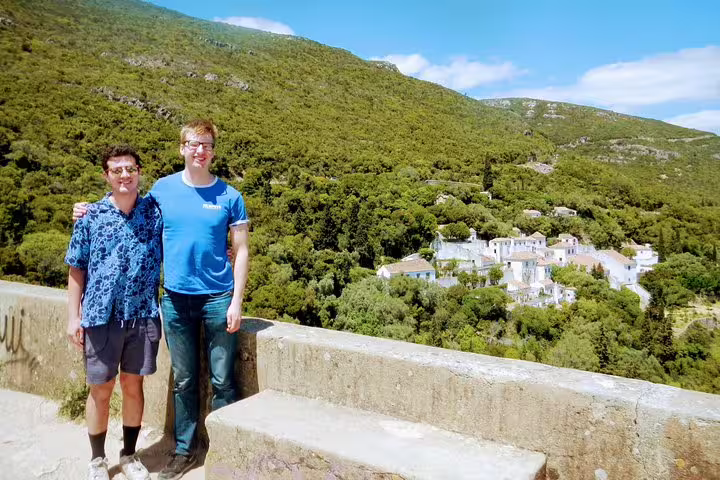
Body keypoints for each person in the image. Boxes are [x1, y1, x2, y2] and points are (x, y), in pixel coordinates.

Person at [74, 119, 250, 480]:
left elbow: (241, 250)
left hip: (218, 298)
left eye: (206, 144)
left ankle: (228, 455)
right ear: (182, 148)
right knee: (184, 381)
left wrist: (237, 301)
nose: (200, 150)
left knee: (223, 381)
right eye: (193, 143)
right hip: (174, 299)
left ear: (213, 150)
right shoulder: (161, 192)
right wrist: (86, 209)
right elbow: (124, 207)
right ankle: (184, 452)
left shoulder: (230, 196)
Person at [66, 145, 163, 480]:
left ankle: (129, 455)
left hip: (142, 314)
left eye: (131, 168)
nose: (125, 175)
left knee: (133, 386)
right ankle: (97, 460)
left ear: (139, 171)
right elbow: (76, 269)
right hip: (100, 316)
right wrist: (73, 317)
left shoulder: (154, 212)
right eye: (117, 170)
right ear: (106, 175)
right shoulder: (90, 216)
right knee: (101, 390)